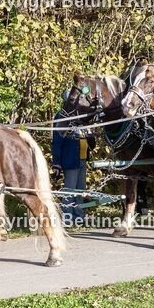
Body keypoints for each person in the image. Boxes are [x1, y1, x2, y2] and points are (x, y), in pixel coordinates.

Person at [52, 91, 94, 224]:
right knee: (69, 190)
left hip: (82, 158)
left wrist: (90, 135)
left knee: (80, 189)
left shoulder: (81, 118)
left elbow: (91, 142)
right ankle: (67, 217)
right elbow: (57, 141)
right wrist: (56, 163)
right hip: (70, 159)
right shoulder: (62, 116)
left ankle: (79, 216)